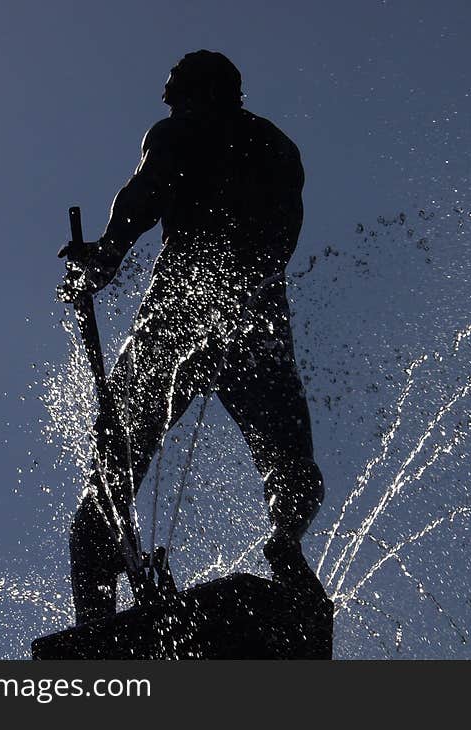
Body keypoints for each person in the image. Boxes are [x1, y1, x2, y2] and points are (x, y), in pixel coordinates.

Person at [58, 50, 325, 624]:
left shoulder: (182, 133)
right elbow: (283, 241)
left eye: (176, 96)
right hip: (253, 322)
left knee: (107, 488)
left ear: (202, 94)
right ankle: (287, 545)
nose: (171, 106)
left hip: (179, 316)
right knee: (293, 468)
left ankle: (98, 623)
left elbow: (143, 197)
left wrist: (102, 260)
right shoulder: (278, 147)